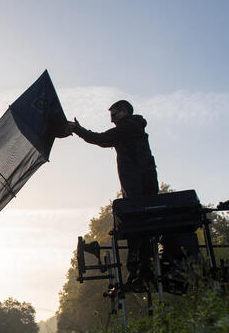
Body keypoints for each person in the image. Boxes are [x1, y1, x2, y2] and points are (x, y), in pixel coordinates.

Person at [66, 99, 159, 287]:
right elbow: (103, 141)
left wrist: (77, 129)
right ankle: (143, 270)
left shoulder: (128, 128)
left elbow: (101, 139)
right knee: (142, 230)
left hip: (138, 190)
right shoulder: (131, 129)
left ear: (125, 111)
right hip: (140, 188)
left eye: (114, 114)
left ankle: (139, 272)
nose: (112, 119)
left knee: (136, 228)